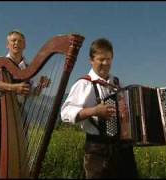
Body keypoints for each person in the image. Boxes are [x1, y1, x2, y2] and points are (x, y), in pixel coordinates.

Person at [60, 38, 138, 178]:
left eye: (109, 59)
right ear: (91, 60)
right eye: (101, 59)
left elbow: (133, 110)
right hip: (97, 150)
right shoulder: (83, 84)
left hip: (123, 149)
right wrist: (94, 111)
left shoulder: (118, 82)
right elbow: (65, 113)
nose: (106, 63)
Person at [0, 29, 30, 179]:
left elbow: (28, 90)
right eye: (13, 41)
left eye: (20, 41)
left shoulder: (27, 67)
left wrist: (40, 87)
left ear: (25, 45)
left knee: (19, 149)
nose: (16, 43)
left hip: (18, 110)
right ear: (7, 45)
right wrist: (13, 88)